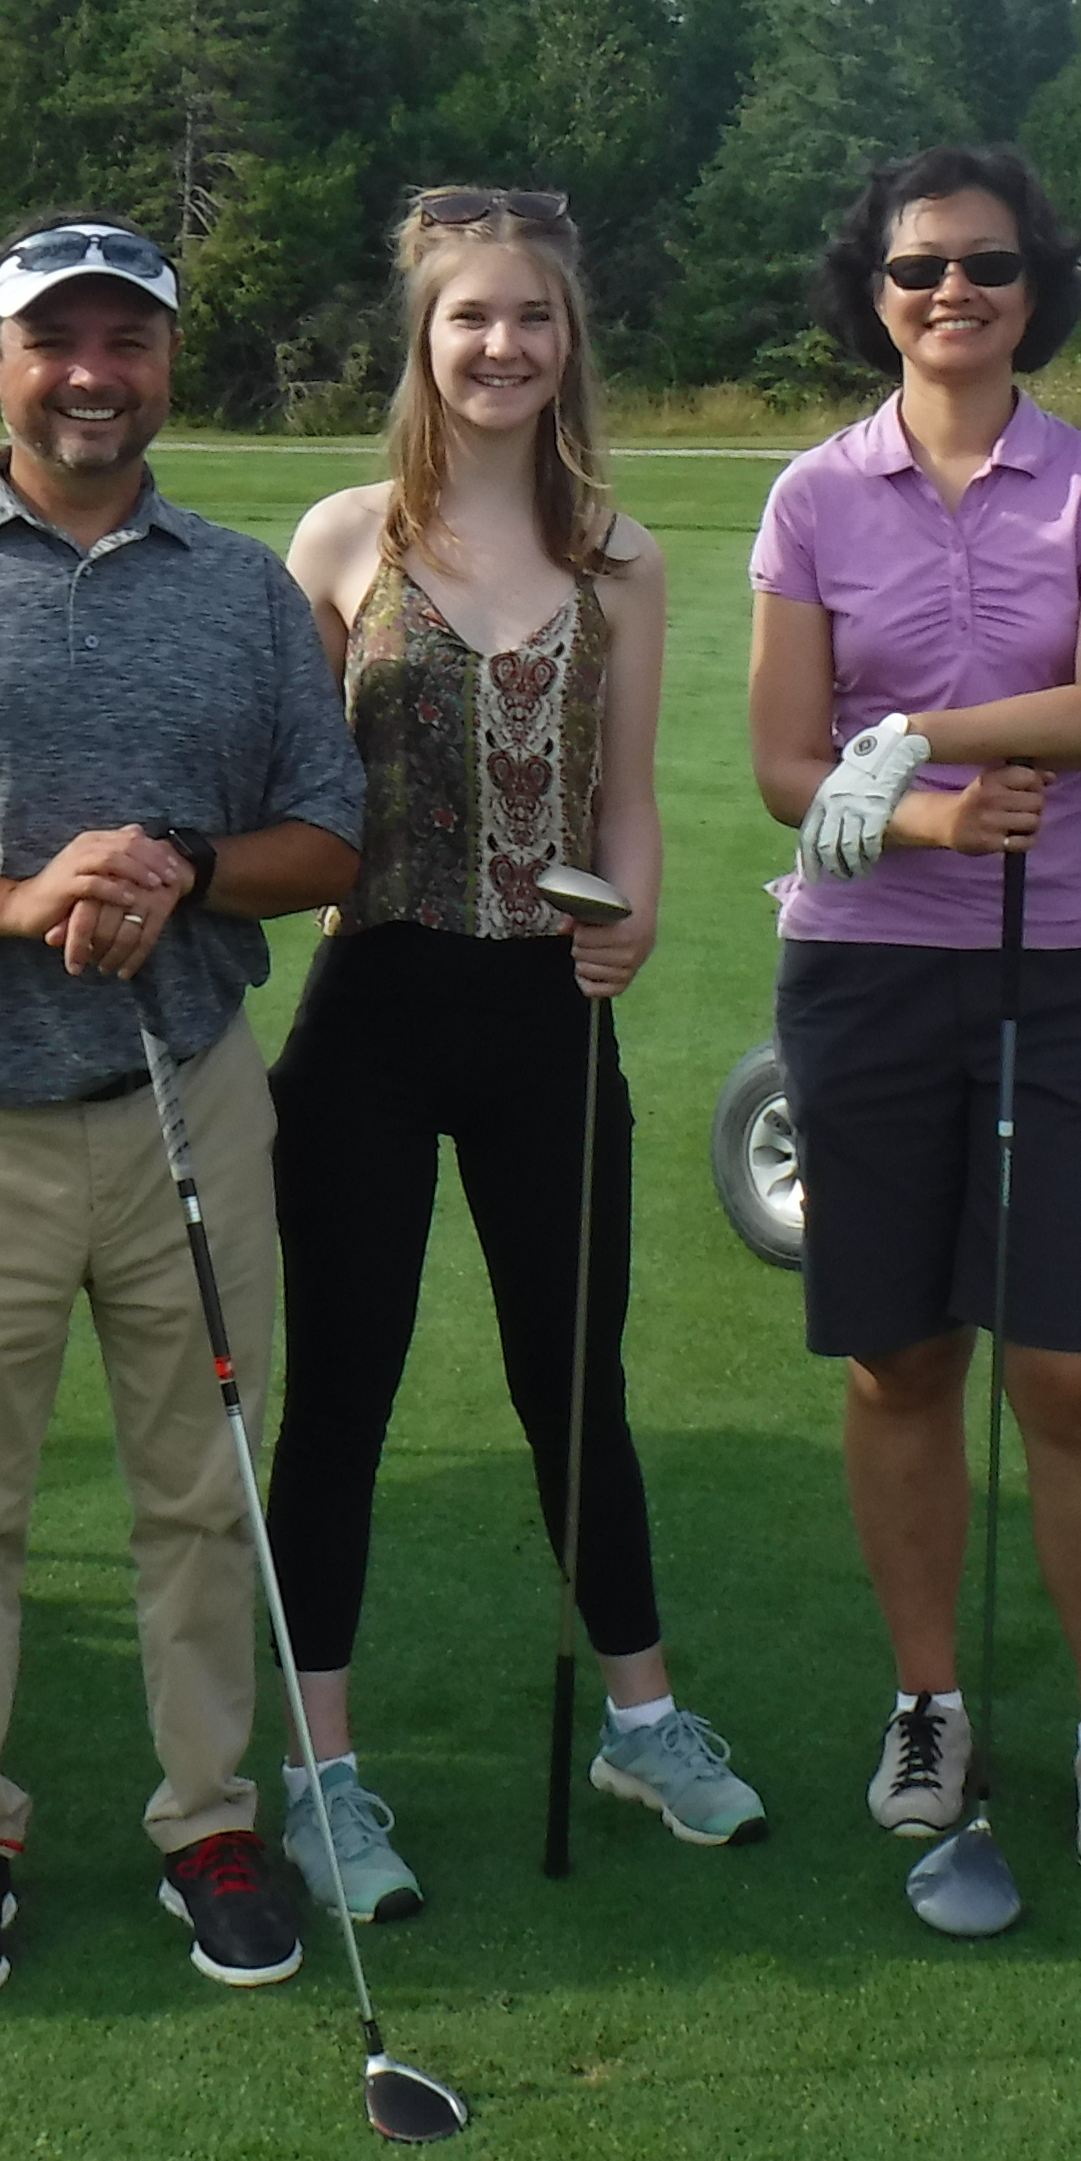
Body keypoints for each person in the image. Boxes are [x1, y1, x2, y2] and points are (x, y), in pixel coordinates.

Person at [0, 214, 368, 2013]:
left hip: (189, 1101)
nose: (93, 372)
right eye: (57, 340)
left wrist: (175, 866)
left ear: (169, 365)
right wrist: (18, 899)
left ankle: (209, 1821)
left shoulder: (243, 589)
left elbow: (327, 838)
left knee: (203, 1490)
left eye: (129, 340)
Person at [262, 185, 764, 1923]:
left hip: (549, 1015)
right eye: (470, 318)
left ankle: (645, 1720)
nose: (501, 346)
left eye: (531, 320)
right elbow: (298, 804)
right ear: (424, 337)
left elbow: (625, 801)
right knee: (343, 1395)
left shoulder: (621, 554)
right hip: (371, 1008)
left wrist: (633, 915)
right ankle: (322, 1772)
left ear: (570, 343)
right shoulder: (342, 542)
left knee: (577, 1389)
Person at [746, 147, 1081, 1879]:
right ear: (876, 290)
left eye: (989, 267)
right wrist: (908, 816)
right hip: (862, 969)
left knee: (1074, 1372)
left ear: (1033, 289)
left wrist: (921, 741)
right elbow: (786, 764)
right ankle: (927, 1698)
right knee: (899, 1356)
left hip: (1058, 960)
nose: (954, 294)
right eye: (921, 269)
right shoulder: (813, 496)